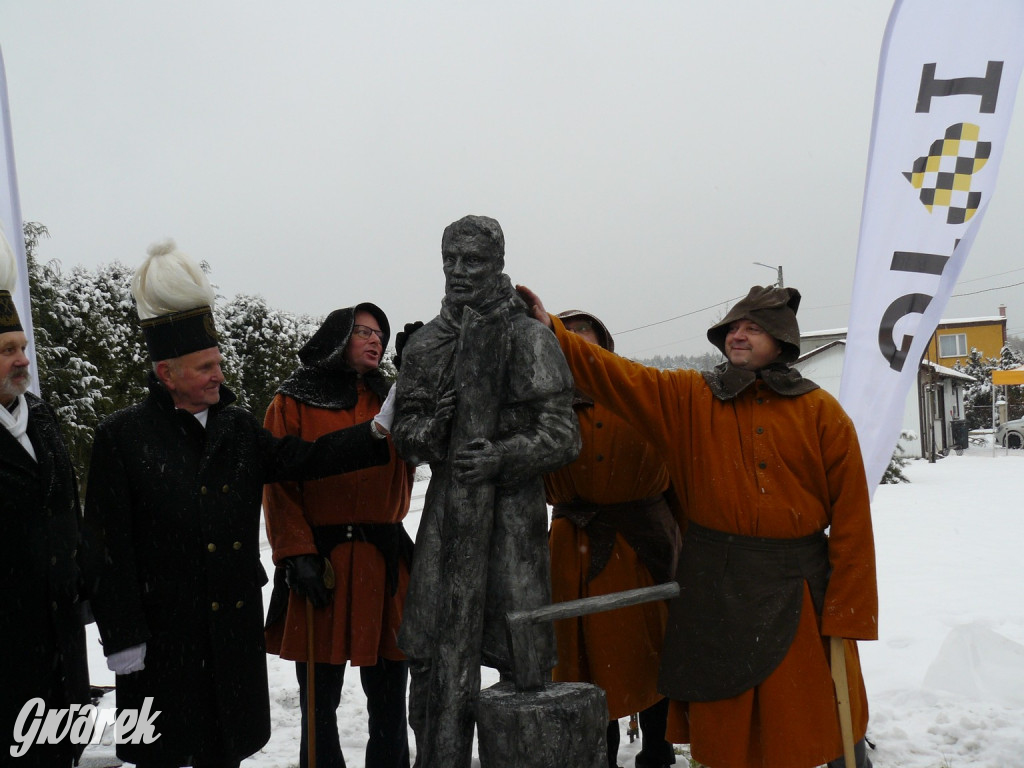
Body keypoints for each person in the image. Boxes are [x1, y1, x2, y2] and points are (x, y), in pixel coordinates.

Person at [518, 283, 877, 768]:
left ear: (783, 341)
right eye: (733, 328)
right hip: (717, 590)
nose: (739, 335)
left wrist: (846, 612)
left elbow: (853, 521)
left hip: (798, 588)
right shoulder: (690, 398)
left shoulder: (823, 414)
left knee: (807, 719)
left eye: (753, 328)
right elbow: (620, 377)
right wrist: (554, 332)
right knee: (725, 729)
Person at [85, 239, 394, 768]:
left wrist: (377, 431)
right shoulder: (123, 437)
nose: (220, 375)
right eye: (206, 367)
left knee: (224, 748)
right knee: (169, 752)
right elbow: (107, 547)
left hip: (230, 627)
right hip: (164, 637)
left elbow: (303, 460)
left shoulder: (236, 426)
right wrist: (123, 637)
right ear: (167, 373)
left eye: (218, 362)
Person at [391, 215, 580, 768]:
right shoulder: (427, 343)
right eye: (450, 259)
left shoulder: (529, 337)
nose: (458, 271)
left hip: (511, 522)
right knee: (430, 662)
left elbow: (561, 435)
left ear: (497, 263)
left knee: (524, 668)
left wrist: (502, 455)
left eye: (471, 261)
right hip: (447, 522)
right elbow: (406, 436)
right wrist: (433, 431)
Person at [263, 302, 413, 768]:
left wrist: (422, 373)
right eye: (363, 332)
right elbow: (278, 484)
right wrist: (295, 553)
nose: (375, 341)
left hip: (383, 562)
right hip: (321, 567)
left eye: (380, 335)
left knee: (389, 698)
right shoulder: (290, 402)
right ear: (337, 337)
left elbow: (434, 440)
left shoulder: (395, 398)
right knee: (318, 702)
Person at [545, 309, 680, 768]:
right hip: (575, 548)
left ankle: (658, 749)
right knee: (582, 658)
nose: (579, 346)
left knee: (655, 650)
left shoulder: (642, 398)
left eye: (587, 337)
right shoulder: (538, 408)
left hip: (646, 543)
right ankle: (596, 753)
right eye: (569, 338)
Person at [1, 233, 90, 767]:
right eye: (8, 350)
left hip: (58, 643)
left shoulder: (43, 418)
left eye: (22, 348)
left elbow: (66, 512)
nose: (21, 359)